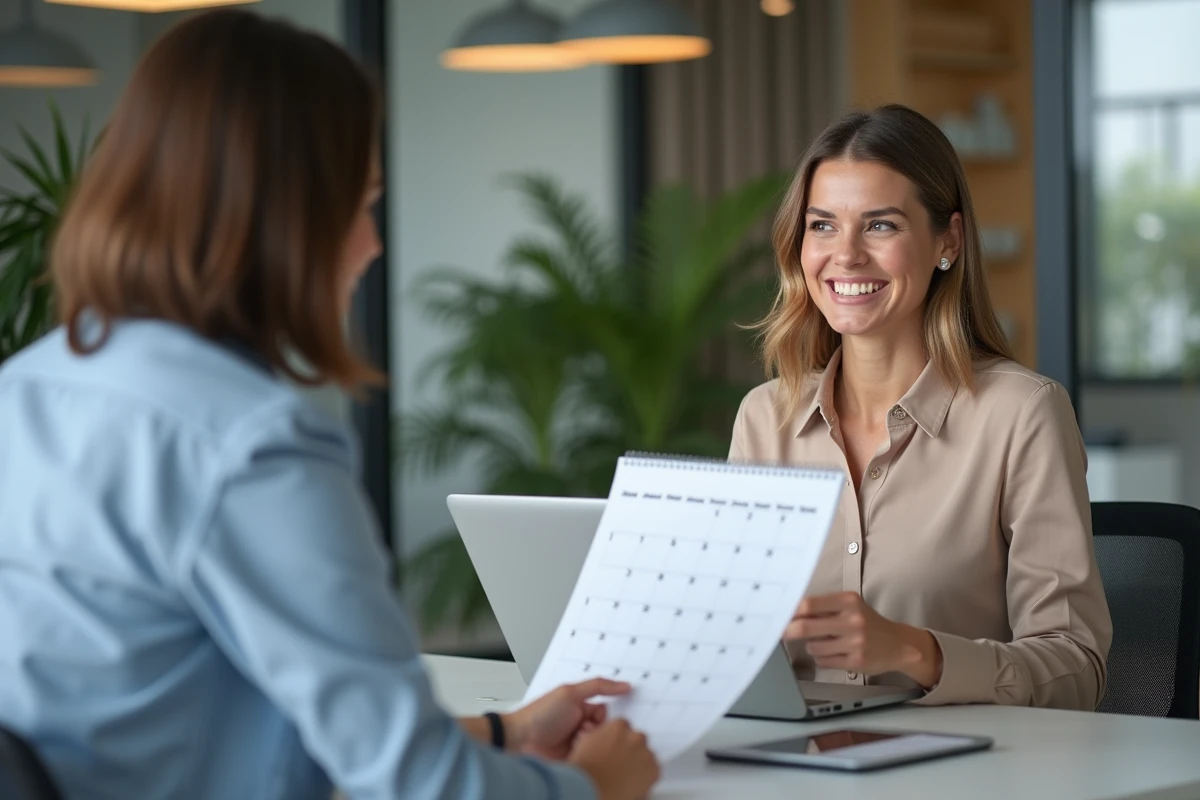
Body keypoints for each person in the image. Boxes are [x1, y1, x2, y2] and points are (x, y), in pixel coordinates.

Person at [0, 10, 659, 800]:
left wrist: (502, 731)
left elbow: (190, 712)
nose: (371, 244)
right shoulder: (249, 444)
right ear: (285, 214)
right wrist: (596, 787)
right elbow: (420, 786)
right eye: (362, 202)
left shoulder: (30, 387)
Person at [729, 104, 1112, 710]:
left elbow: (1076, 670)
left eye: (880, 225)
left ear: (947, 241)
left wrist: (917, 652)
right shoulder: (764, 418)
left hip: (964, 757)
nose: (846, 255)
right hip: (789, 755)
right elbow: (729, 639)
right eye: (822, 226)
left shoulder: (1022, 414)